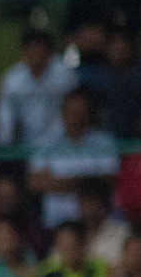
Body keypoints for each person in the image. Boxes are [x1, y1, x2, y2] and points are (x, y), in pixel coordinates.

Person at [28, 88, 119, 228]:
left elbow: (108, 179)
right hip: (57, 225)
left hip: (97, 224)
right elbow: (36, 182)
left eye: (81, 113)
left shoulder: (104, 142)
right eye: (72, 113)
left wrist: (57, 182)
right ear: (63, 114)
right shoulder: (45, 143)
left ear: (89, 115)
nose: (76, 118)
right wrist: (88, 182)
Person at [0, 29, 77, 148]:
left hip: (61, 142)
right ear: (24, 53)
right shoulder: (12, 80)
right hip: (24, 144)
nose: (35, 55)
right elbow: (5, 116)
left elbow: (74, 111)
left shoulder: (65, 76)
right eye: (31, 50)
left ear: (49, 53)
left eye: (39, 50)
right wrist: (5, 142)